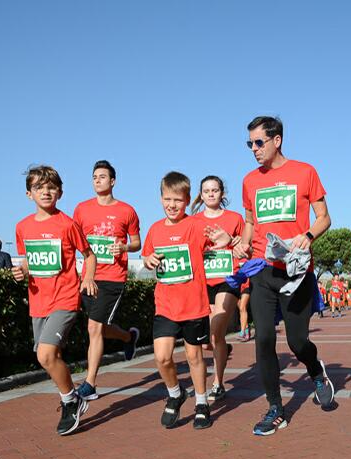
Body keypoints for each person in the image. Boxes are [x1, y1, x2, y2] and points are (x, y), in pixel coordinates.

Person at [233, 115, 335, 436]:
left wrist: (308, 235)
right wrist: (244, 243)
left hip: (296, 271)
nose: (254, 148)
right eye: (249, 143)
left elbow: (324, 218)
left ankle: (316, 370)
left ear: (277, 141)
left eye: (259, 142)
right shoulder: (249, 180)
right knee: (263, 339)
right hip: (263, 270)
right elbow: (250, 221)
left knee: (297, 341)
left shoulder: (305, 172)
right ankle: (276, 408)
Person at [12, 165, 97, 435]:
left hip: (65, 298)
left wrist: (88, 278)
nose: (46, 192)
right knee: (49, 357)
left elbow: (90, 255)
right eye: (40, 188)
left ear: (59, 192)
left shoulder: (67, 224)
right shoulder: (22, 227)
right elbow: (27, 263)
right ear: (29, 194)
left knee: (45, 353)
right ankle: (73, 398)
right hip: (38, 300)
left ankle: (70, 401)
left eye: (51, 187)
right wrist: (21, 272)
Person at [142, 171, 231, 430]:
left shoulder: (195, 225)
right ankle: (175, 393)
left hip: (193, 304)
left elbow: (222, 238)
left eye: (178, 200)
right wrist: (148, 260)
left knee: (194, 356)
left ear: (188, 200)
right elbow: (148, 256)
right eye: (167, 199)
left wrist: (225, 240)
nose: (172, 205)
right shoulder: (155, 229)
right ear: (160, 199)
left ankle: (201, 403)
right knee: (162, 357)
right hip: (166, 304)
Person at [72, 160, 141, 401]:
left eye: (102, 176)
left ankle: (90, 384)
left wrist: (124, 246)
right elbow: (75, 243)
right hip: (88, 277)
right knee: (97, 327)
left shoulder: (127, 210)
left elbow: (136, 243)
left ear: (112, 181)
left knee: (94, 328)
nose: (98, 180)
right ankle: (128, 337)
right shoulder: (81, 209)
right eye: (94, 177)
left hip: (113, 277)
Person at [191, 175, 245, 402]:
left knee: (214, 333)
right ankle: (222, 348)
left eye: (215, 190)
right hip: (202, 283)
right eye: (206, 191)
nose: (211, 194)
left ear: (222, 194)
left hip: (227, 280)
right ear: (201, 195)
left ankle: (217, 383)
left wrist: (231, 241)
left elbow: (245, 248)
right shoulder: (193, 222)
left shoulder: (235, 218)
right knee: (208, 341)